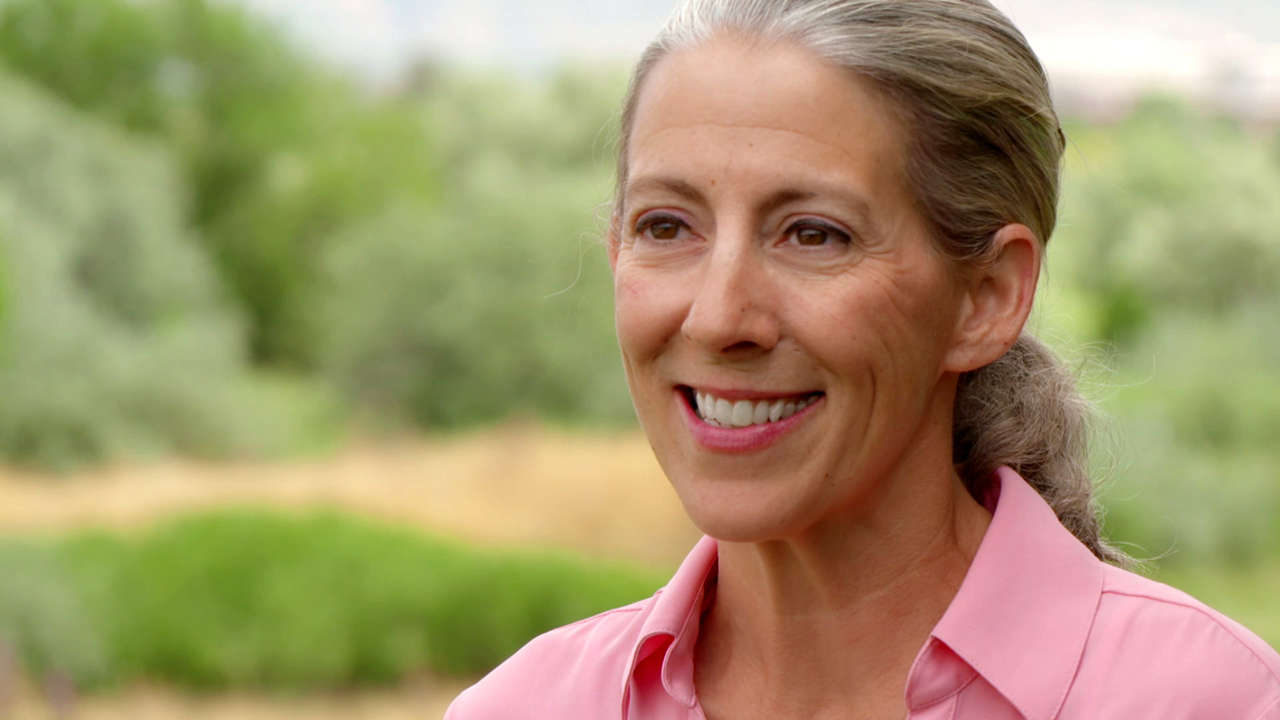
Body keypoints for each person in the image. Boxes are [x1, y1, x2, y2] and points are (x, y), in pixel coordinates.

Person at [446, 0, 1280, 717]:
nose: (719, 317)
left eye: (814, 234)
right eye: (666, 226)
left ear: (986, 297)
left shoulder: (1214, 701)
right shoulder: (524, 707)